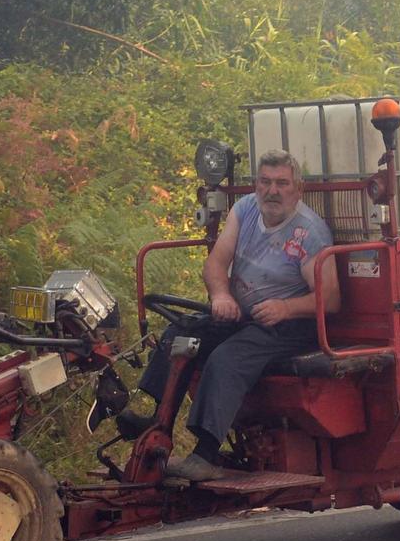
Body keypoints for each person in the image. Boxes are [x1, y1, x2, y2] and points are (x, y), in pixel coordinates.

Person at [122, 149, 337, 481]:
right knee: (180, 335)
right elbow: (216, 263)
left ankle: (205, 456)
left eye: (282, 183)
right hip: (246, 314)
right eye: (265, 182)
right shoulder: (246, 209)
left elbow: (331, 298)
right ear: (256, 185)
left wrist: (285, 308)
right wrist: (221, 295)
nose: (272, 191)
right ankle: (153, 420)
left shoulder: (309, 233)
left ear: (298, 189)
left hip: (291, 326)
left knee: (227, 359)